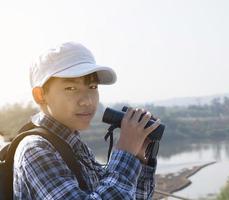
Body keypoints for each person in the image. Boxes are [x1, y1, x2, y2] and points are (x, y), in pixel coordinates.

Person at [13, 42, 161, 199]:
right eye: (71, 88)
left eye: (92, 87)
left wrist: (137, 158)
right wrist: (125, 153)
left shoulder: (73, 146)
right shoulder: (36, 150)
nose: (87, 101)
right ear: (40, 95)